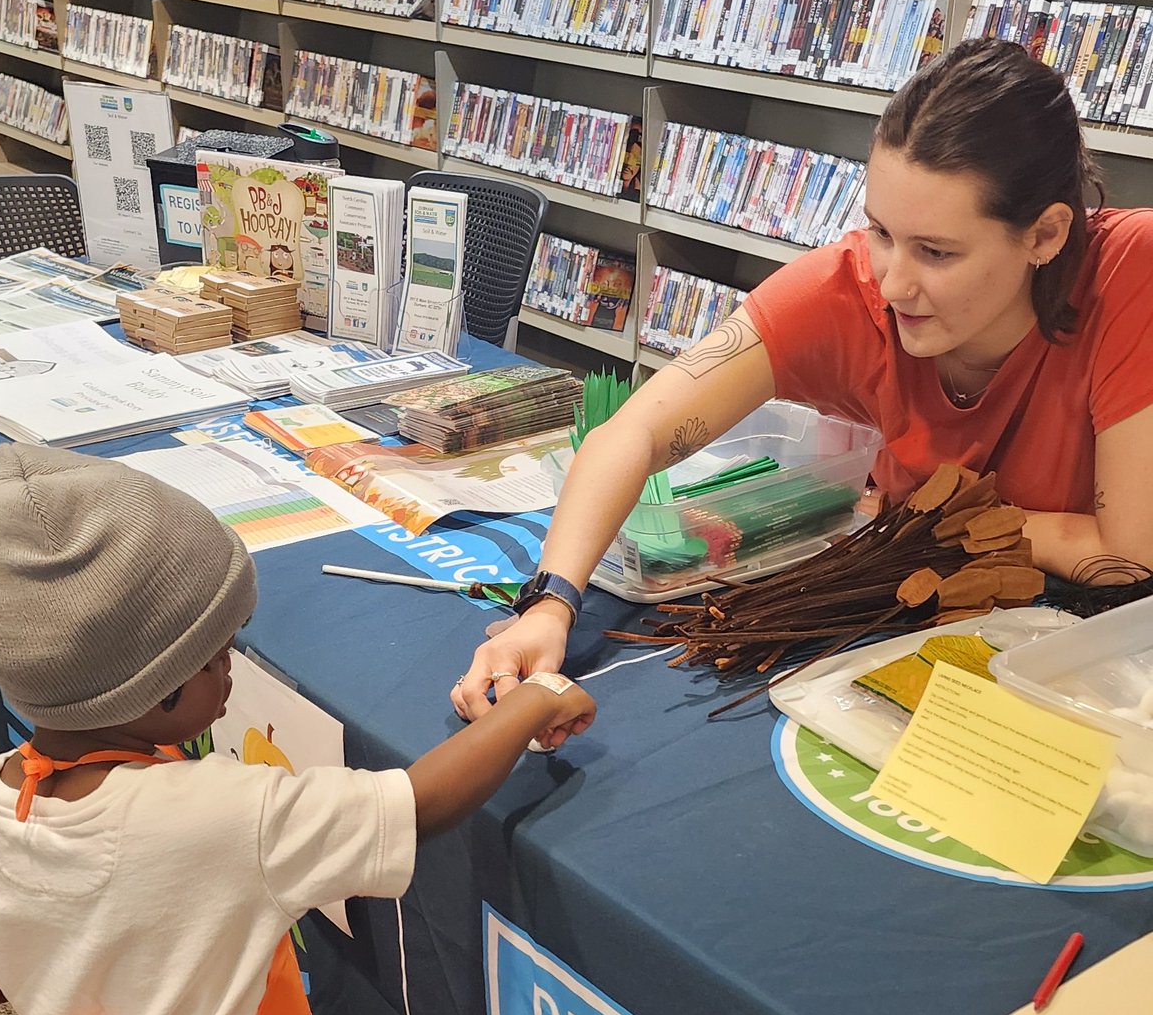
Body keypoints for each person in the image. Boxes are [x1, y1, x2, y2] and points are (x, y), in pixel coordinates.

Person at [452, 36, 1153, 724]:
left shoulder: (1132, 274)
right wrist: (550, 602)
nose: (894, 282)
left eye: (937, 252)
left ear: (1046, 235)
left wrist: (935, 521)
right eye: (880, 231)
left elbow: (1129, 561)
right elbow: (634, 431)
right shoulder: (844, 290)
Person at [0, 444, 595, 1015]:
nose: (231, 668)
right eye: (217, 654)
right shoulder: (223, 811)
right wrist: (534, 703)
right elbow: (417, 804)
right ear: (158, 688)